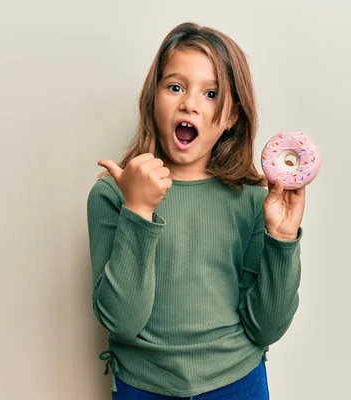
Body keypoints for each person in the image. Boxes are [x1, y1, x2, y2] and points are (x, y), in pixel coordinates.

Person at [86, 21, 306, 400]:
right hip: (143, 386)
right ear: (153, 98)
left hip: (237, 382)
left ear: (232, 116)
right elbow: (121, 323)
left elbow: (265, 328)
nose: (189, 103)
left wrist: (282, 240)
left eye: (211, 93)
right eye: (175, 87)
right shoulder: (112, 194)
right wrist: (138, 210)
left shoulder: (253, 198)